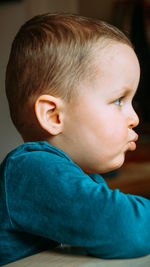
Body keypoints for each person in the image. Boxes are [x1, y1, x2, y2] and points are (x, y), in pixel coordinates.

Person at [1, 13, 150, 266]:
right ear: (54, 115)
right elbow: (126, 228)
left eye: (132, 101)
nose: (134, 118)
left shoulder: (70, 175)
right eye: (118, 101)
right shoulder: (31, 170)